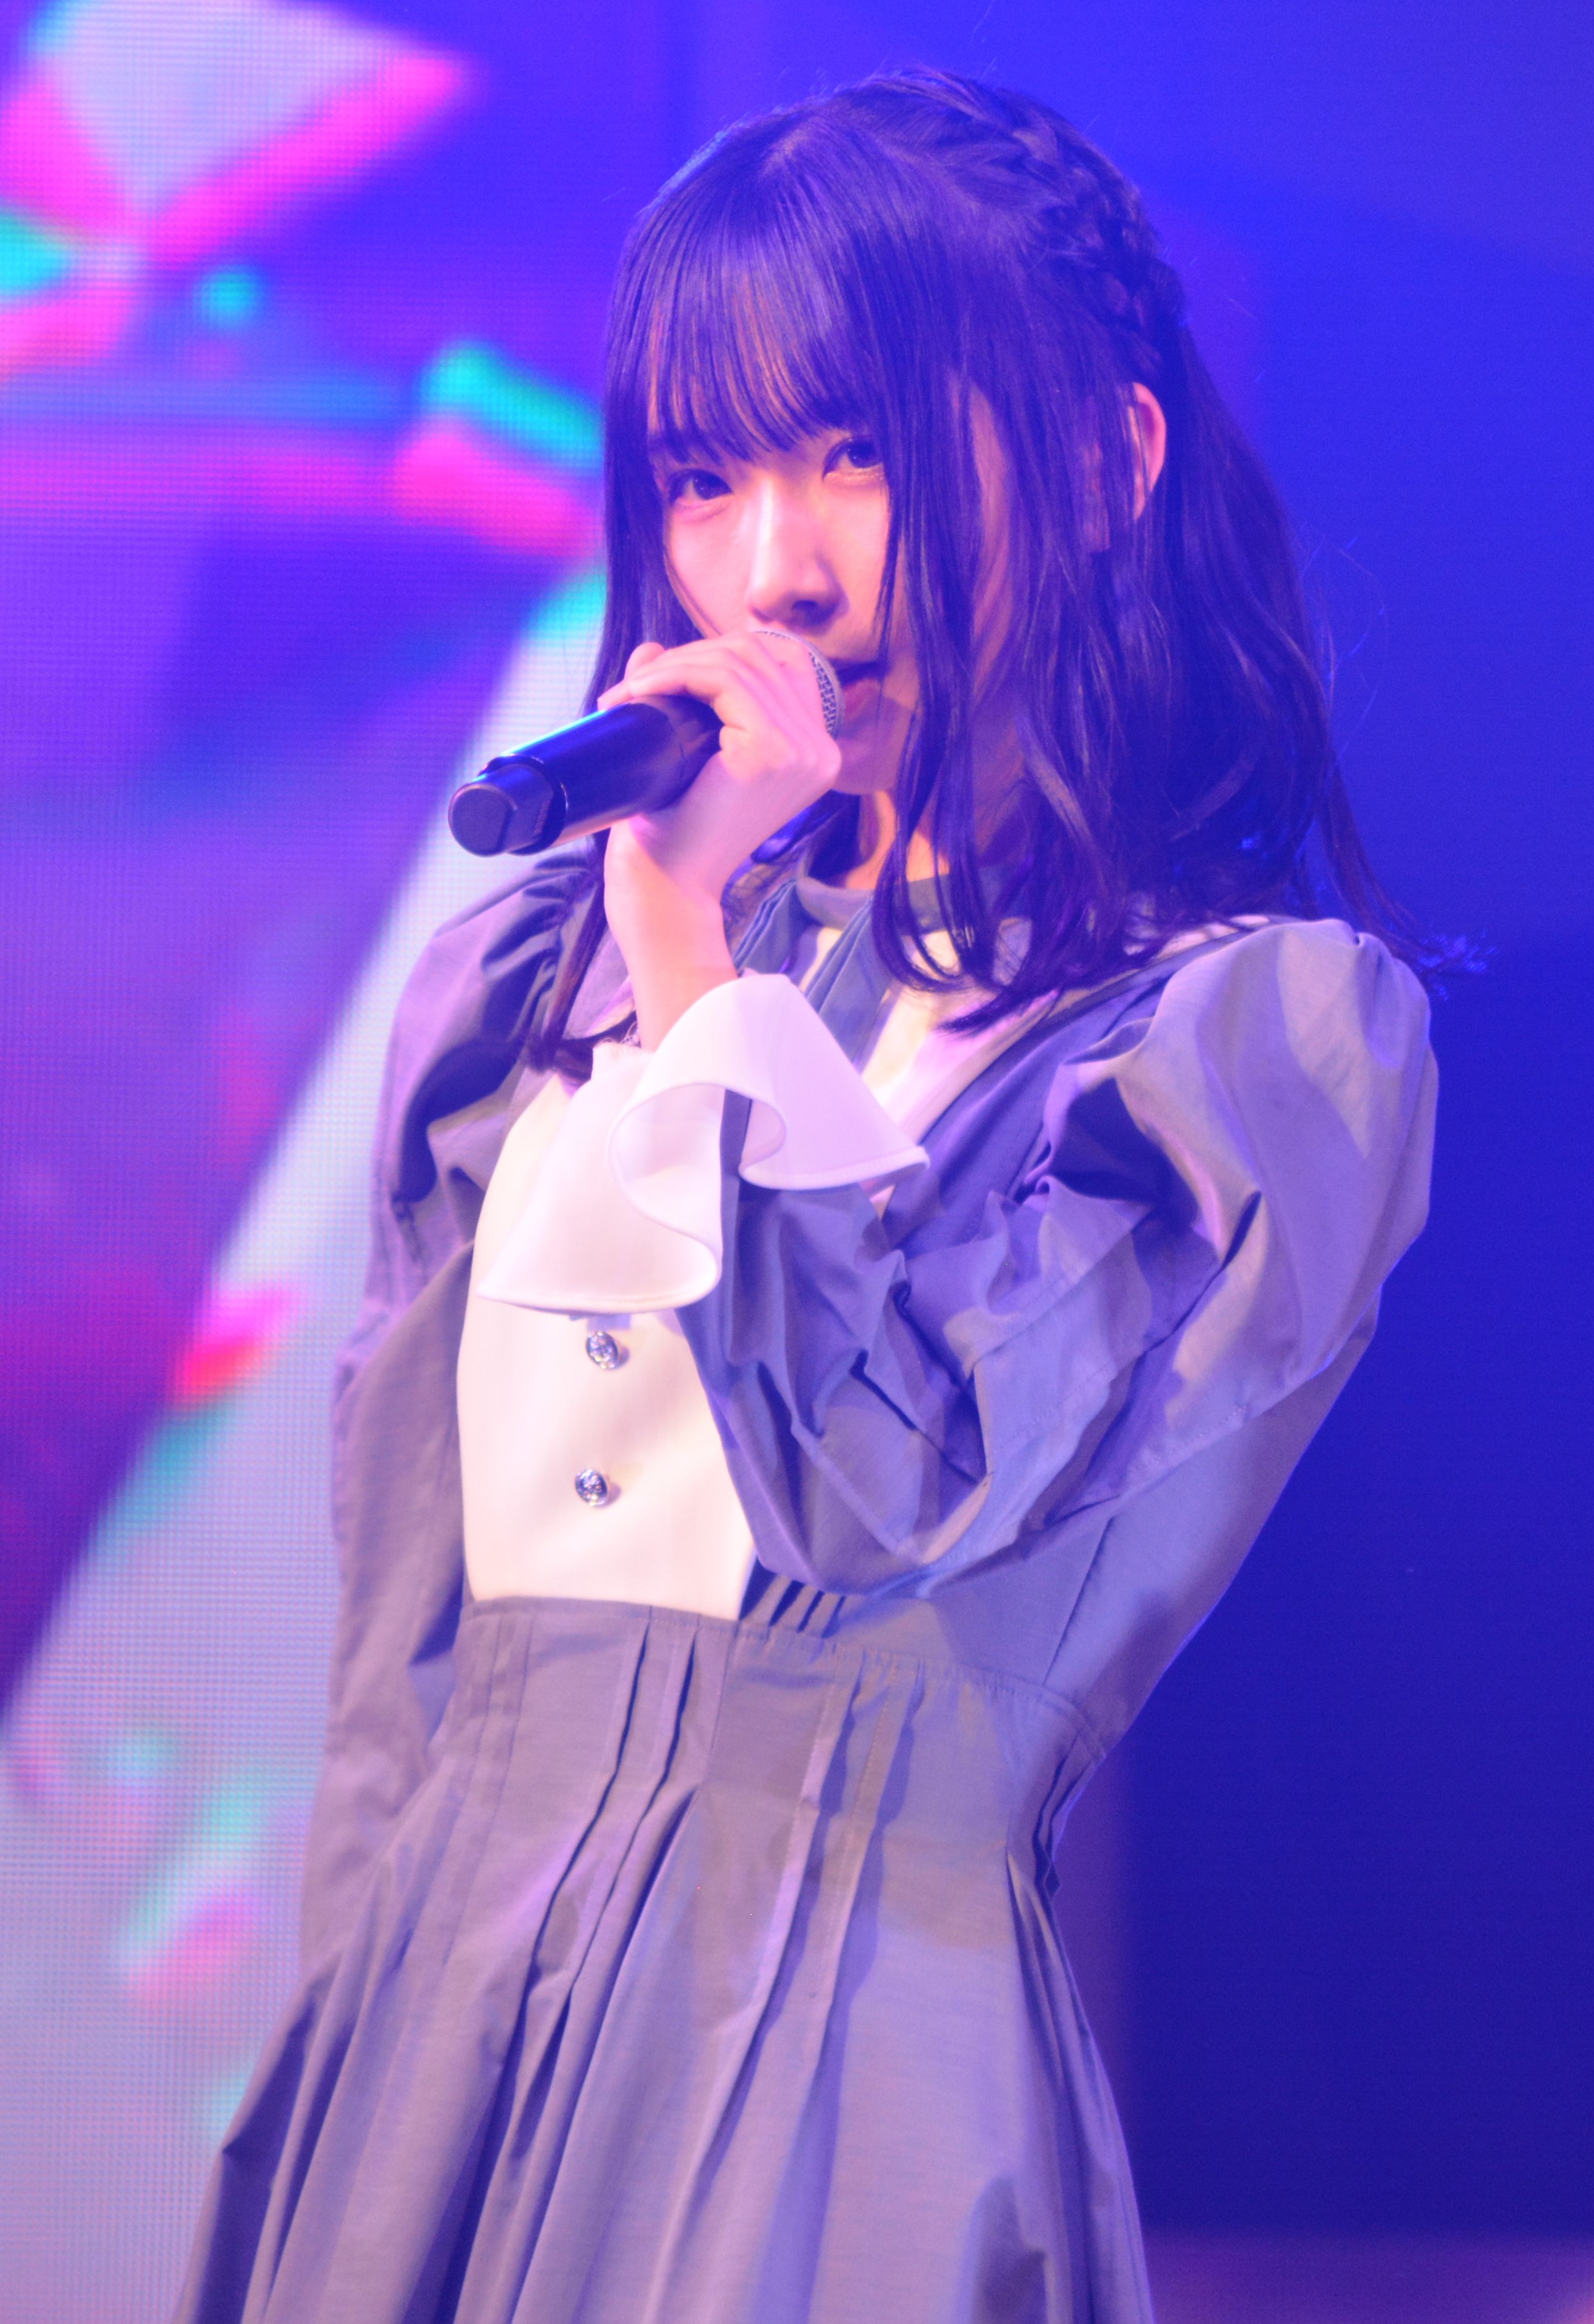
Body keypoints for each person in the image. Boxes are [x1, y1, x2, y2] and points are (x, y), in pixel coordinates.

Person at [175, 68, 1439, 2324]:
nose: (776, 567)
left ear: (1106, 463)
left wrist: (692, 956)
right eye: (704, 475)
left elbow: (880, 1476)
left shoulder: (1243, 1043)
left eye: (857, 453)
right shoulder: (516, 995)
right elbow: (405, 1659)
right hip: (435, 2029)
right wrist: (341, 2089)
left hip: (836, 2047)